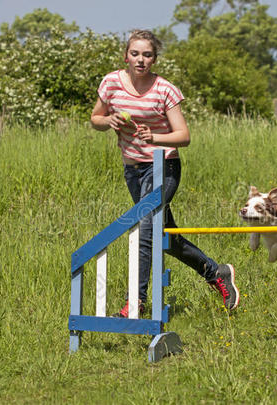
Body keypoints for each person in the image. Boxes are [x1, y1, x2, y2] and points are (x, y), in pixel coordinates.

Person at [90, 29, 239, 317]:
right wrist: (107, 119)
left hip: (164, 167)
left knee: (146, 227)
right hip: (132, 171)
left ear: (154, 59)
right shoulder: (111, 83)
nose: (140, 60)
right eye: (135, 54)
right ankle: (216, 272)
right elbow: (95, 118)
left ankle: (136, 302)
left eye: (147, 54)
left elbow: (184, 136)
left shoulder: (164, 89)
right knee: (165, 235)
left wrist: (155, 138)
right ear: (126, 56)